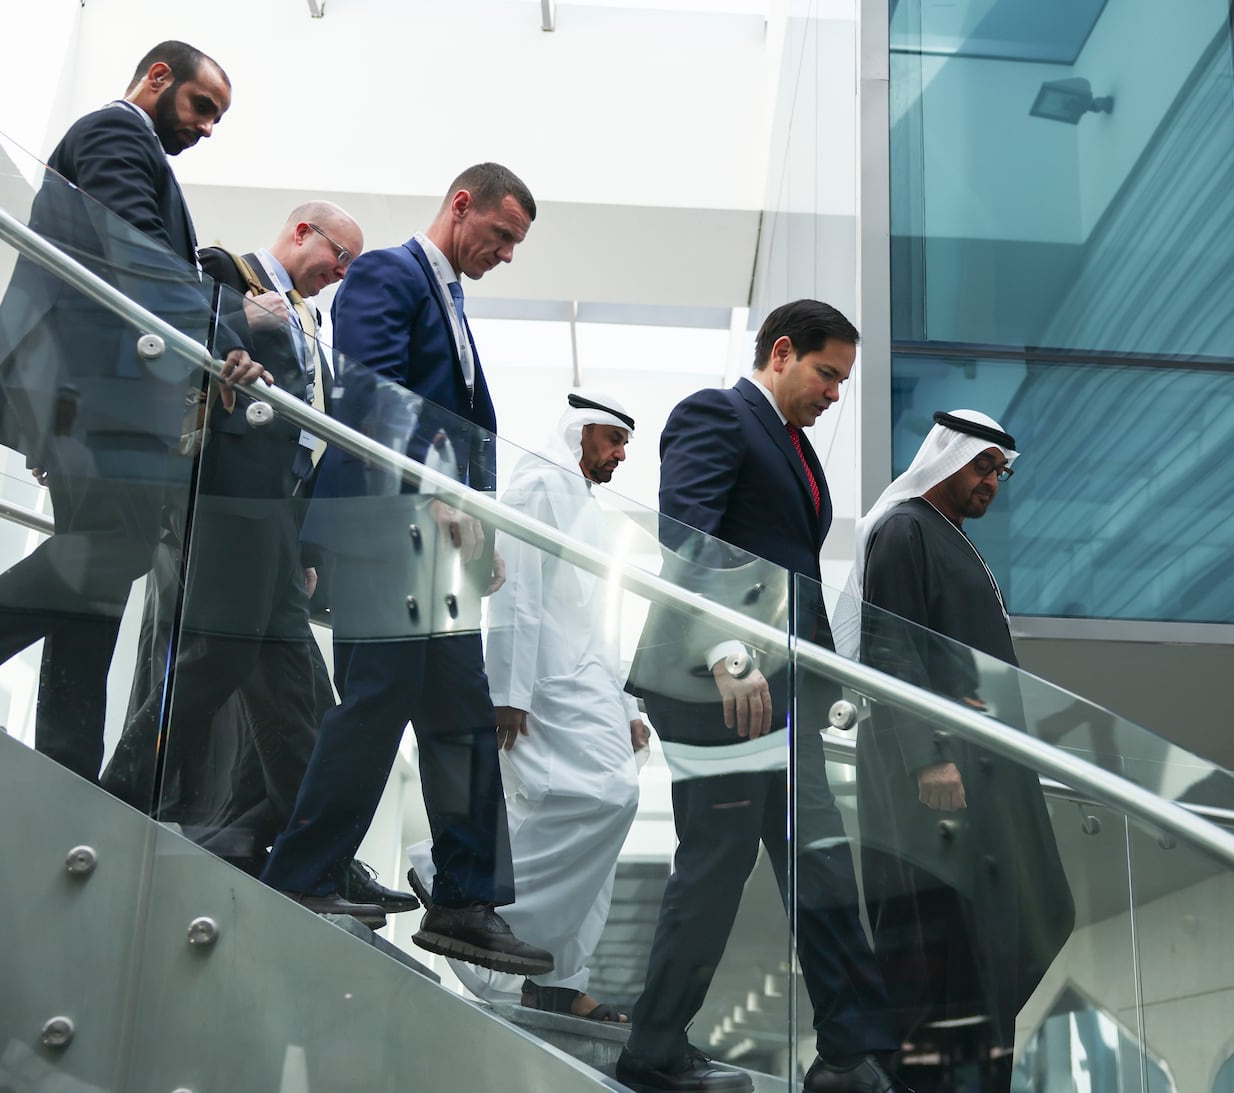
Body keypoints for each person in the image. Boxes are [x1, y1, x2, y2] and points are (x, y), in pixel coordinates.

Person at [256, 163, 554, 975]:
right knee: (380, 697)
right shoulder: (388, 271)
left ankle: (464, 898)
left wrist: (477, 530)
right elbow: (373, 392)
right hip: (388, 525)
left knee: (460, 714)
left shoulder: (449, 297)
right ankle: (303, 871)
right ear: (462, 206)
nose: (507, 253)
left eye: (516, 243)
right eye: (501, 234)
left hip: (438, 546)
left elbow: (452, 424)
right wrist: (434, 495)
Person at [618, 301, 906, 1093]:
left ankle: (849, 1051)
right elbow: (690, 533)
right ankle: (652, 1046)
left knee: (820, 862)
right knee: (717, 862)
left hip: (786, 692)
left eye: (843, 380)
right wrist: (726, 647)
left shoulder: (794, 448)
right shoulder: (716, 414)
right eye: (827, 374)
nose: (835, 393)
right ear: (782, 351)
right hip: (722, 684)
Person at [98, 203, 410, 907]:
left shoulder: (312, 321)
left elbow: (309, 433)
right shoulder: (219, 269)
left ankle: (318, 857)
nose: (343, 274)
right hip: (226, 497)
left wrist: (300, 541)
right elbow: (168, 327)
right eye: (340, 256)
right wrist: (247, 324)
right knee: (223, 657)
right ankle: (120, 792)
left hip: (276, 513)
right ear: (303, 233)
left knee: (297, 686)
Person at [0, 41, 265, 784]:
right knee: (121, 549)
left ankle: (66, 766)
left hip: (100, 398)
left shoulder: (141, 152)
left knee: (97, 578)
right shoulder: (114, 132)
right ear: (158, 79)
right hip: (86, 393)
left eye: (219, 120)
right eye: (203, 107)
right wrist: (226, 339)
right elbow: (137, 254)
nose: (207, 128)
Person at [847, 410, 1075, 1093]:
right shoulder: (904, 528)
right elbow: (891, 648)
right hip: (932, 778)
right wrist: (928, 756)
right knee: (935, 946)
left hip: (980, 774)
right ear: (946, 457)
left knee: (1003, 935)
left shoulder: (950, 538)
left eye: (1000, 472)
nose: (992, 483)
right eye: (983, 466)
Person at [409, 391, 648, 1020]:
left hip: (591, 683)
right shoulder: (539, 485)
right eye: (615, 441)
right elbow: (514, 592)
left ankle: (559, 979)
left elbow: (606, 616)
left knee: (598, 810)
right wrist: (509, 690)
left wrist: (626, 702)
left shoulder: (589, 508)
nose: (621, 456)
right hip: (546, 683)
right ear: (584, 431)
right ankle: (449, 885)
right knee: (608, 798)